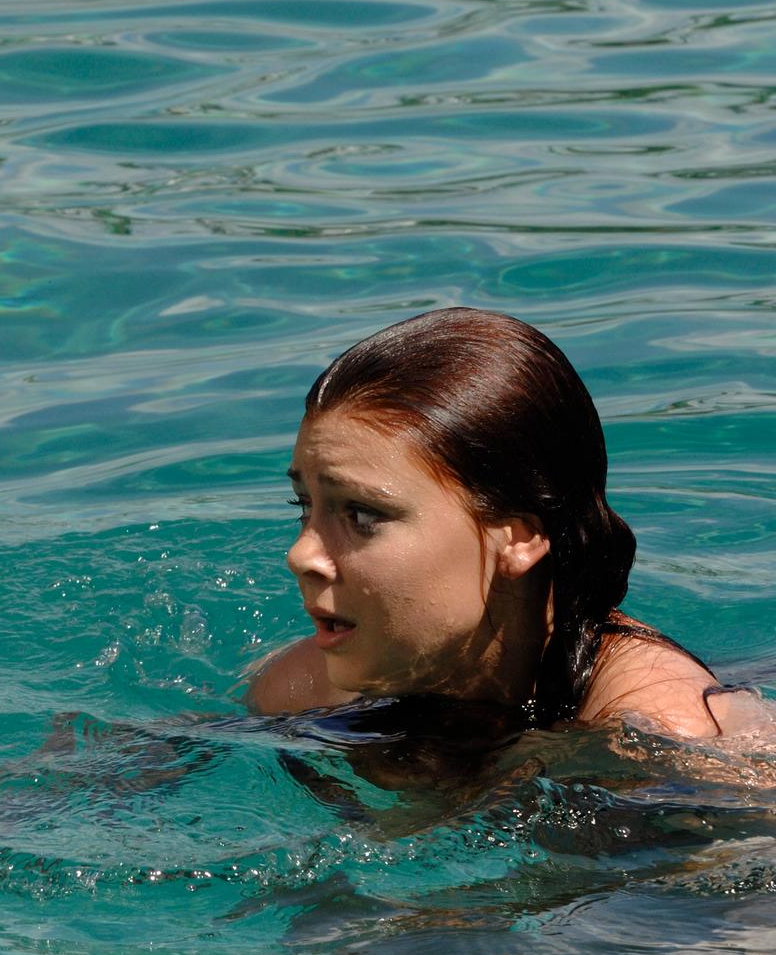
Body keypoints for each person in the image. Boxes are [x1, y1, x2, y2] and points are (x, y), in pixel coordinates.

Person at [246, 307, 763, 738]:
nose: (301, 555)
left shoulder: (670, 732)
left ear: (517, 537)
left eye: (362, 515)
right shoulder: (305, 689)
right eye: (304, 506)